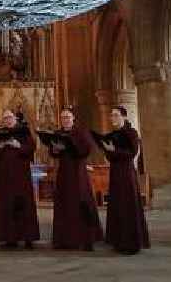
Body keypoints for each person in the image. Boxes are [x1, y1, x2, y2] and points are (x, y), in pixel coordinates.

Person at [49, 107, 103, 250]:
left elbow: (87, 149)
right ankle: (65, 240)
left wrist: (71, 144)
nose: (65, 120)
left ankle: (87, 240)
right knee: (64, 203)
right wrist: (55, 149)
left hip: (78, 172)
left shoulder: (80, 132)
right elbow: (53, 153)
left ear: (73, 118)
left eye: (67, 117)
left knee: (82, 203)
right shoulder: (58, 133)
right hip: (64, 173)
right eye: (63, 117)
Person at [102, 106, 150, 254]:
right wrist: (108, 150)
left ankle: (131, 242)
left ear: (124, 117)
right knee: (117, 204)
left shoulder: (131, 133)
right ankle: (118, 240)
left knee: (128, 205)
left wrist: (113, 151)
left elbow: (132, 152)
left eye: (116, 115)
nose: (113, 118)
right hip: (115, 172)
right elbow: (110, 157)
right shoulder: (112, 134)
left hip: (127, 173)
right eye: (111, 115)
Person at [0, 109, 40, 249]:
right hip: (5, 177)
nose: (7, 120)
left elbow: (32, 147)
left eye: (10, 117)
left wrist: (18, 145)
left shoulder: (23, 131)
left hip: (21, 176)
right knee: (8, 206)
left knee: (25, 205)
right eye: (5, 118)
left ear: (15, 119)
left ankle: (28, 238)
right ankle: (9, 239)